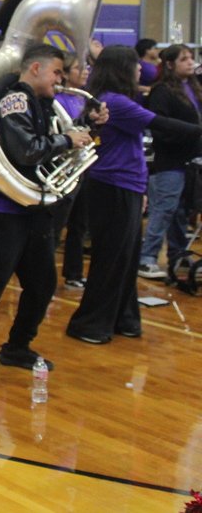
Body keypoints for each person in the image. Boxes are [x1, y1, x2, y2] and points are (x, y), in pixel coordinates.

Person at [0, 44, 99, 390]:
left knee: (42, 283)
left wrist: (85, 126)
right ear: (37, 69)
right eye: (57, 72)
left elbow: (51, 143)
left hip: (34, 206)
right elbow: (26, 149)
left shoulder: (42, 103)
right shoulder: (15, 99)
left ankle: (17, 346)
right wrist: (66, 139)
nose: (61, 79)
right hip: (1, 206)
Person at [67, 46, 202, 343]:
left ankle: (123, 319)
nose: (140, 69)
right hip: (111, 185)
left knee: (125, 259)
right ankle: (89, 324)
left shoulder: (117, 99)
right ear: (121, 69)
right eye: (134, 65)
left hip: (125, 185)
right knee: (111, 258)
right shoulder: (115, 102)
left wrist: (140, 191)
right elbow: (162, 124)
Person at [138, 44, 202, 279]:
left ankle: (178, 253)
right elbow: (159, 126)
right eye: (184, 59)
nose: (190, 62)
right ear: (170, 64)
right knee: (164, 209)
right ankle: (147, 258)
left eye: (191, 58)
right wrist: (190, 133)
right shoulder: (162, 91)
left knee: (181, 212)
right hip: (169, 160)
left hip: (190, 159)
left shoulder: (193, 88)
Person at [54, 54, 92, 289]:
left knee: (79, 224)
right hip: (62, 171)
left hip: (82, 168)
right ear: (66, 73)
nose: (86, 71)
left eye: (87, 67)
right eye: (80, 67)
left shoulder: (84, 99)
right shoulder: (58, 100)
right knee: (57, 226)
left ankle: (74, 273)